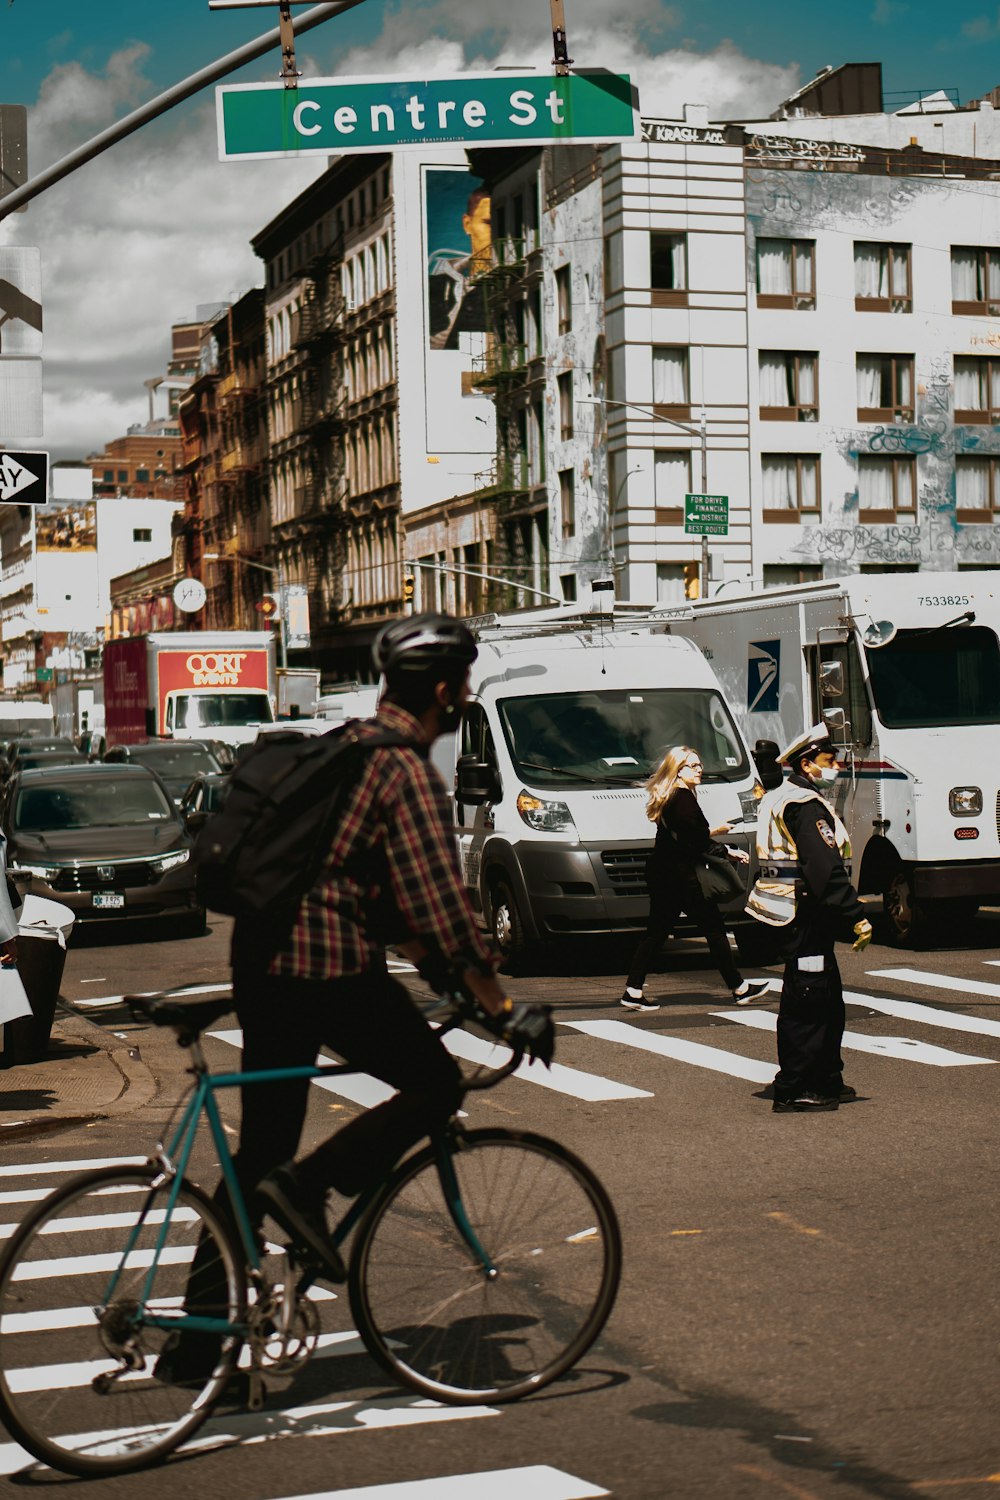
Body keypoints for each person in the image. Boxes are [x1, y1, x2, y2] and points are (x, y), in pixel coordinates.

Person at [158, 614, 553, 1384]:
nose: (464, 695)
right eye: (463, 684)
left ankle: (195, 1346)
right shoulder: (404, 769)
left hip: (264, 962)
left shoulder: (345, 745)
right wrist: (499, 1005)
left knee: (258, 1155)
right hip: (327, 966)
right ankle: (312, 1186)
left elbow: (383, 901)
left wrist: (437, 972)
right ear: (445, 691)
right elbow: (437, 903)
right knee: (436, 1084)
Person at [751, 723, 872, 1113]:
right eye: (828, 758)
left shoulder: (782, 797)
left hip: (795, 912)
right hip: (802, 915)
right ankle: (797, 1086)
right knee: (808, 1002)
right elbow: (824, 869)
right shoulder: (804, 805)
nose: (836, 764)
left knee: (824, 998)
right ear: (807, 762)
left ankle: (825, 1077)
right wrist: (855, 914)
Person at [620, 745, 769, 1012]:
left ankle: (633, 990)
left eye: (700, 765)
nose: (700, 770)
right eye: (692, 766)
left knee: (656, 933)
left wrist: (716, 837)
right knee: (712, 929)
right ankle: (739, 989)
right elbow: (696, 839)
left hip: (667, 874)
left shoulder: (674, 796)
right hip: (678, 878)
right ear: (677, 770)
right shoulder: (683, 799)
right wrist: (727, 848)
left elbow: (688, 836)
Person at [427, 185, 491, 351]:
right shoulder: (433, 286)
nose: (496, 232)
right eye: (488, 223)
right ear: (467, 224)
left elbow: (471, 366)